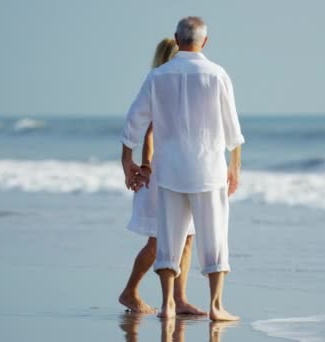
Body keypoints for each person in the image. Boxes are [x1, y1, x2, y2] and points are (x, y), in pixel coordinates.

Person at [120, 16, 244, 321]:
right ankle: (216, 306)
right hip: (208, 169)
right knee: (214, 238)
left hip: (170, 171)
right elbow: (232, 127)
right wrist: (235, 167)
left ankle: (169, 304)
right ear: (205, 41)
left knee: (170, 238)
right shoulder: (217, 75)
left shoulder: (157, 77)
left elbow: (134, 121)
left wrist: (128, 160)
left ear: (177, 39)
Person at [118, 38, 204, 316]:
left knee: (187, 236)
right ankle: (130, 291)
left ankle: (179, 299)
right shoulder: (162, 84)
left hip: (182, 168)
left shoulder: (179, 86)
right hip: (162, 170)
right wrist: (146, 166)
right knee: (160, 239)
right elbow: (150, 131)